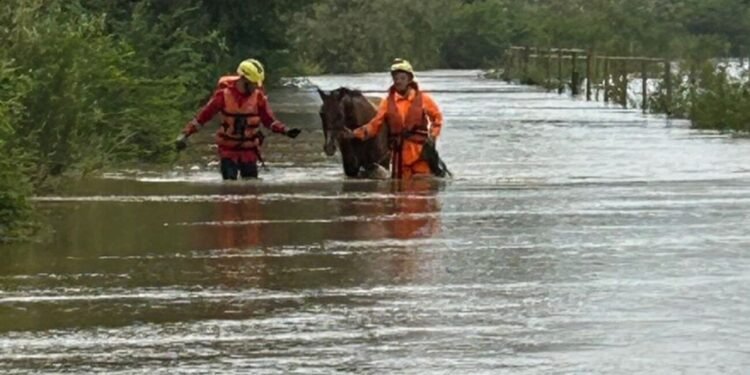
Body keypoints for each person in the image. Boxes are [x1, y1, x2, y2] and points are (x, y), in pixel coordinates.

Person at [174, 58, 302, 180]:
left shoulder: (258, 98)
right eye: (253, 84)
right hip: (228, 151)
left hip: (250, 152)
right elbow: (202, 118)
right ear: (244, 80)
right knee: (229, 188)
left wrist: (286, 130)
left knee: (251, 190)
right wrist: (185, 134)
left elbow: (269, 121)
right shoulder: (222, 96)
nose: (255, 87)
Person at [343, 58, 447, 179]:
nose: (398, 81)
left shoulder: (424, 99)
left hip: (420, 153)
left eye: (402, 78)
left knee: (422, 187)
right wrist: (354, 134)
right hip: (400, 157)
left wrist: (433, 135)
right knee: (401, 190)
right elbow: (374, 125)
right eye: (396, 78)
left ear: (409, 79)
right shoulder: (387, 103)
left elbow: (437, 117)